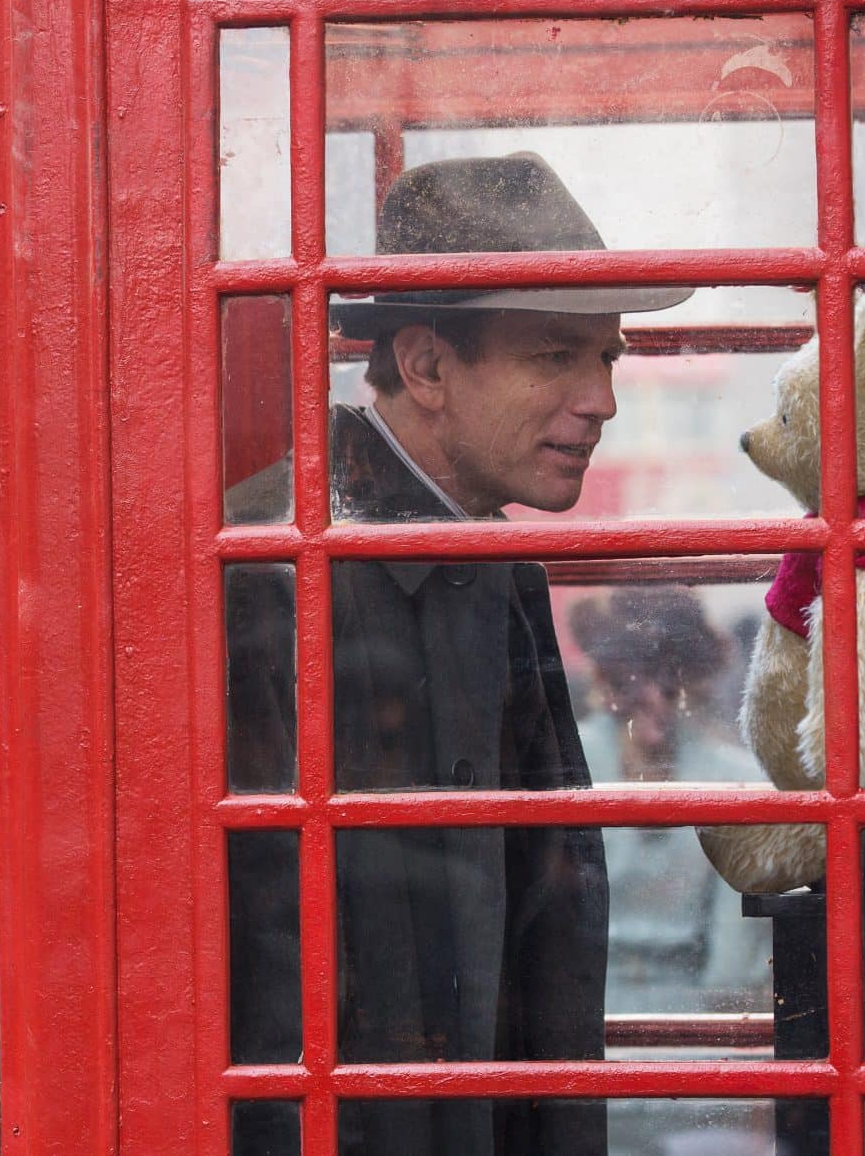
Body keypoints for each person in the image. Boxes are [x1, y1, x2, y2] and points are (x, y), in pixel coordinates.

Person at [226, 154, 692, 1156]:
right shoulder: (266, 565)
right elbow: (250, 957)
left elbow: (540, 913)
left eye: (607, 357)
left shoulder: (493, 551)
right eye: (553, 356)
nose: (600, 398)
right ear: (429, 366)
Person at [566, 588, 770, 1012]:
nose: (650, 696)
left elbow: (734, 950)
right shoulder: (564, 769)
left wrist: (714, 1034)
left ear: (690, 681)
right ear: (603, 681)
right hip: (579, 1007)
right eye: (626, 677)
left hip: (694, 1016)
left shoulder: (737, 783)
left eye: (667, 678)